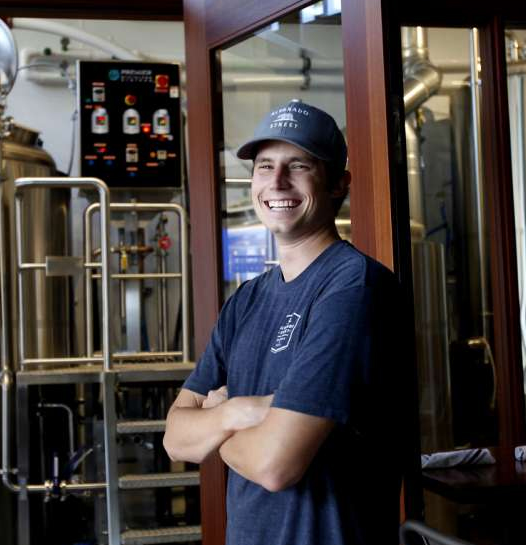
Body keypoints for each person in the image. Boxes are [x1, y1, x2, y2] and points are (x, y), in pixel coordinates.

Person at [163, 99, 402, 545]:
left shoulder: (353, 288)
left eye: (299, 166)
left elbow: (276, 464)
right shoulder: (247, 300)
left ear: (337, 184)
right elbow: (176, 440)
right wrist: (243, 410)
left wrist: (214, 423)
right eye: (264, 166)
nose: (276, 182)